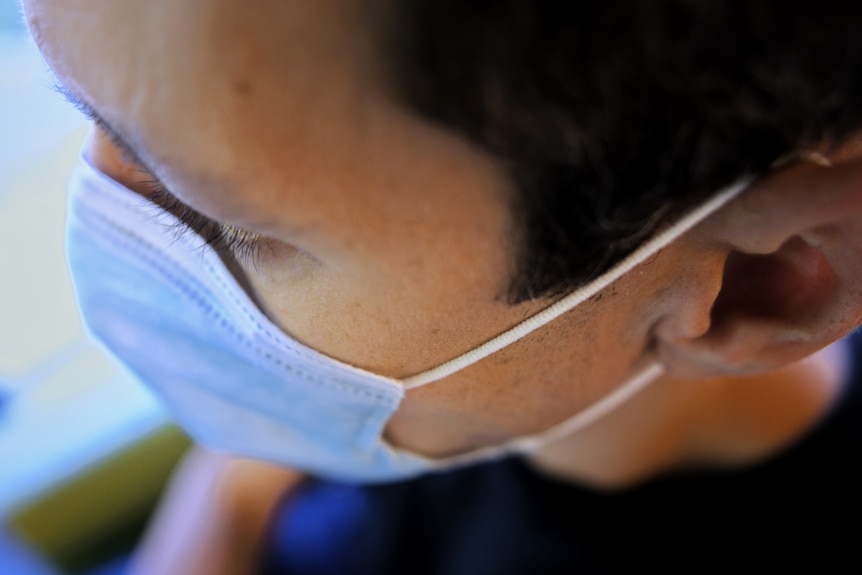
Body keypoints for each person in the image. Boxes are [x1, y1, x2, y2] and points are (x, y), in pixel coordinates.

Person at [19, 0, 862, 572]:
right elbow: (241, 470)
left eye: (220, 219)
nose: (103, 213)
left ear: (763, 279)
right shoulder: (454, 404)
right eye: (88, 115)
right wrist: (226, 510)